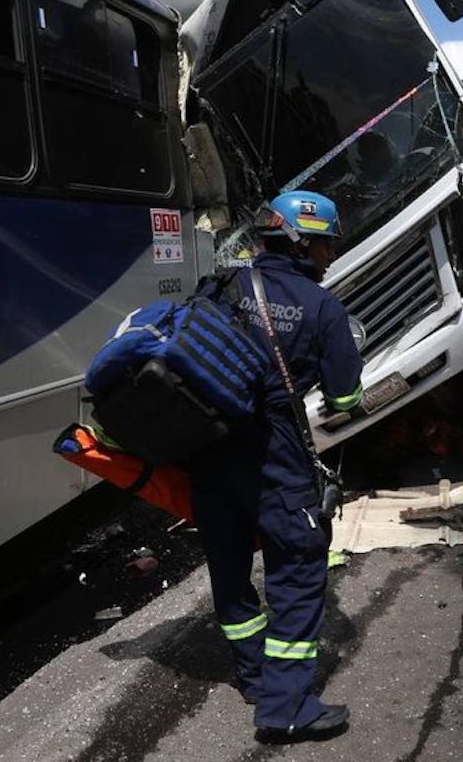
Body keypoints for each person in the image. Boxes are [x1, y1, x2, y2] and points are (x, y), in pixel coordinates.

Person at [189, 190, 364, 743]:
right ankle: (286, 707)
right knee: (298, 567)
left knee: (230, 566)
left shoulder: (220, 285)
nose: (331, 255)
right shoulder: (321, 308)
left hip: (210, 455)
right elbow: (344, 400)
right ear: (300, 241)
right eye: (327, 243)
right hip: (275, 458)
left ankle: (254, 677)